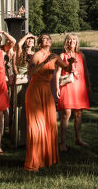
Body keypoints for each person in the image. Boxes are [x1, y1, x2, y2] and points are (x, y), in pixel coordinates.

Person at [24, 34, 75, 172]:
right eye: (44, 39)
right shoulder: (37, 55)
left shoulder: (55, 56)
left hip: (47, 92)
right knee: (36, 125)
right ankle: (34, 161)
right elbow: (30, 72)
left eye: (49, 38)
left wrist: (70, 62)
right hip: (35, 90)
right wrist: (46, 60)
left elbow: (68, 69)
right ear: (40, 43)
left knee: (49, 124)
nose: (47, 40)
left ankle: (46, 159)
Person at [56, 33, 92, 151]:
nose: (72, 42)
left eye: (74, 40)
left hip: (79, 87)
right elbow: (58, 73)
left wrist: (88, 85)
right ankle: (62, 142)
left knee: (78, 114)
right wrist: (57, 87)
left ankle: (78, 139)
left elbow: (85, 71)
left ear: (77, 42)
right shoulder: (63, 55)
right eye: (69, 40)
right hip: (67, 86)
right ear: (66, 42)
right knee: (66, 113)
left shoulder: (81, 55)